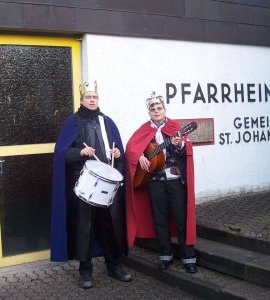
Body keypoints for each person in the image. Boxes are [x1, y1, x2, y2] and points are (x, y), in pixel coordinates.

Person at [50, 80, 131, 289]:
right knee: (84, 229)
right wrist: (80, 152)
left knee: (109, 227)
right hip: (84, 186)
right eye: (88, 97)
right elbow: (61, 153)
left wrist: (118, 153)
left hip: (107, 185)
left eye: (95, 97)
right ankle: (85, 271)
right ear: (81, 100)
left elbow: (119, 151)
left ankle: (114, 267)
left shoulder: (108, 122)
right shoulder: (72, 122)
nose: (92, 100)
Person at [125, 92, 197, 273]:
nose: (156, 111)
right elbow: (131, 148)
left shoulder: (175, 127)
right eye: (152, 109)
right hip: (154, 182)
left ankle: (188, 257)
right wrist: (140, 155)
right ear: (149, 112)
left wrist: (179, 144)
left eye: (159, 108)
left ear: (165, 110)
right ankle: (165, 256)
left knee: (181, 219)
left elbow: (186, 149)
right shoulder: (143, 129)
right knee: (160, 220)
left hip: (174, 181)